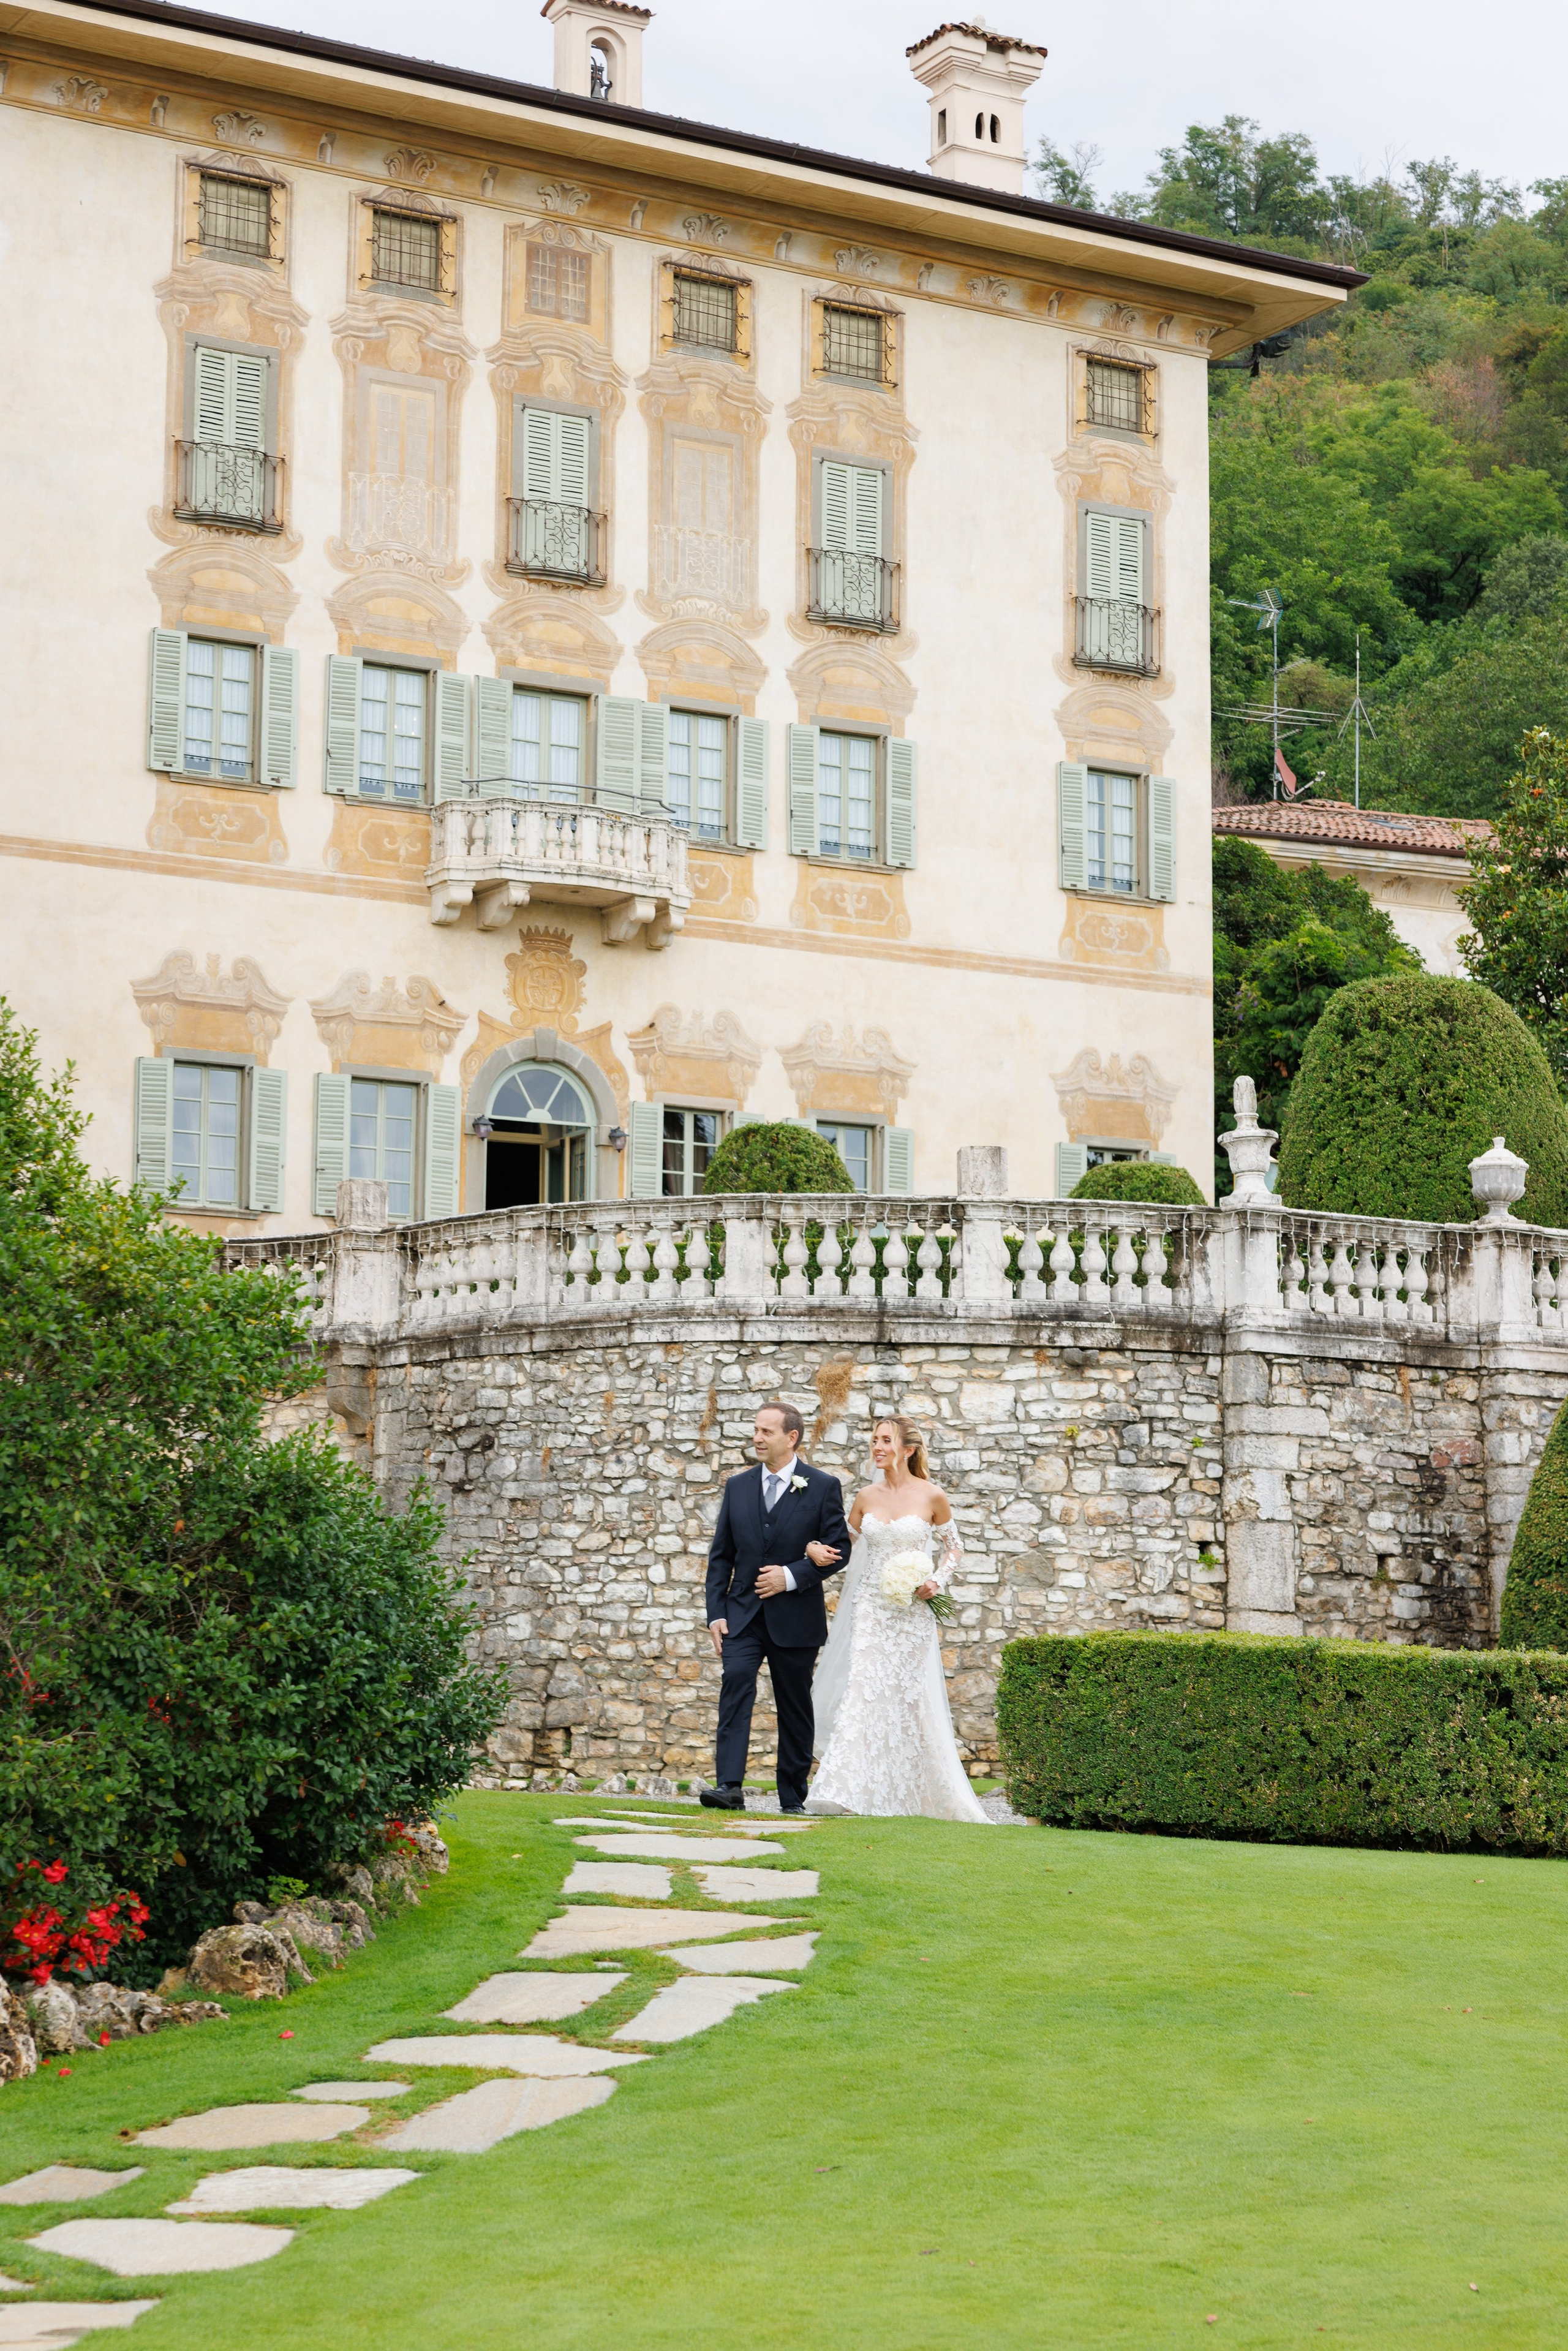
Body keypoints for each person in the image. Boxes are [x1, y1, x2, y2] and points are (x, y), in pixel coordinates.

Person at [805, 1416, 990, 1822]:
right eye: (874, 1440)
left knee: (910, 1699)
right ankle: (846, 1790)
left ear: (908, 1450)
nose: (877, 1447)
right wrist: (815, 1547)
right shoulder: (865, 1497)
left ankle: (910, 1791)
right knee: (864, 1690)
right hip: (870, 1607)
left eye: (886, 1440)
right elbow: (843, 1546)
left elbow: (955, 1547)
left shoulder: (931, 1495)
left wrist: (937, 1580)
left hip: (911, 1612)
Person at [703, 1400, 852, 1813]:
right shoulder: (738, 1486)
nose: (757, 1438)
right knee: (735, 1681)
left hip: (796, 1617)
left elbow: (838, 1549)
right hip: (742, 1615)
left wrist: (789, 1577)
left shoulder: (821, 1486)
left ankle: (792, 1797)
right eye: (756, 1430)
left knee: (794, 1705)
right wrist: (716, 1613)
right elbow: (721, 1557)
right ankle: (729, 1787)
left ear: (792, 1438)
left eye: (766, 1432)